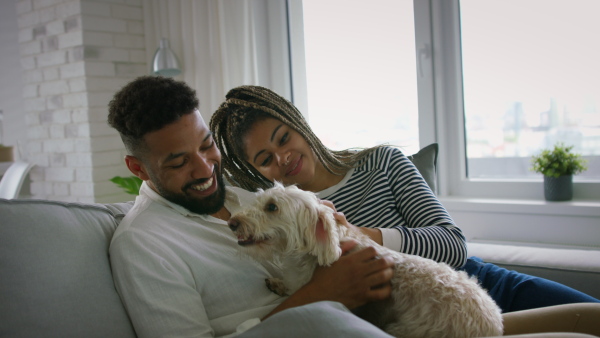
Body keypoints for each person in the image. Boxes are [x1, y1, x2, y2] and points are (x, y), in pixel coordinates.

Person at [209, 85, 600, 318]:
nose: (282, 158)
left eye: (283, 138)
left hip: (482, 284)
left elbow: (453, 245)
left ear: (299, 126)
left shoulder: (381, 161)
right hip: (425, 321)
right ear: (258, 172)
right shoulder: (278, 222)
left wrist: (357, 234)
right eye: (265, 159)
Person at [107, 76, 397, 338]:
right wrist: (320, 294)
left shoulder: (245, 198)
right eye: (180, 162)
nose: (205, 169)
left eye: (207, 145)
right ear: (138, 168)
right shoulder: (142, 244)